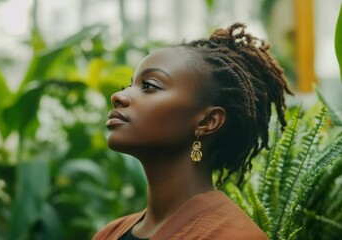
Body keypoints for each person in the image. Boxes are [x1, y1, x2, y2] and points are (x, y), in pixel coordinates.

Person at [94, 23, 293, 240]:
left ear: (207, 121)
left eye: (149, 85)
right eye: (128, 86)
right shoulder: (108, 234)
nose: (118, 96)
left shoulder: (235, 236)